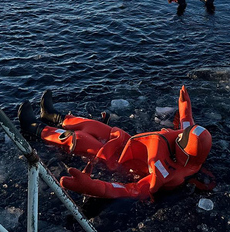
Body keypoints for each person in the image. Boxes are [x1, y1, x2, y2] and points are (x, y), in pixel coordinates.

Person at [17, 86, 211, 200]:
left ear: (184, 152)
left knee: (79, 139)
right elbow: (187, 122)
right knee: (92, 125)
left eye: (182, 138)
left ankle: (34, 128)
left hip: (115, 158)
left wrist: (92, 186)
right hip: (124, 140)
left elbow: (130, 190)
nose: (179, 135)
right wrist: (185, 105)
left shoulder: (163, 174)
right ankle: (51, 115)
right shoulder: (187, 144)